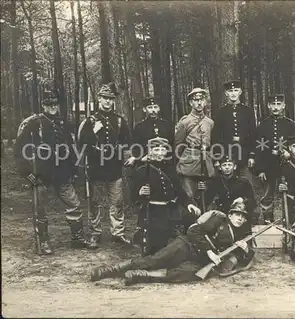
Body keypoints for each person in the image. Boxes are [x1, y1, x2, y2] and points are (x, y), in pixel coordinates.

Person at [89, 200, 255, 286]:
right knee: (154, 260)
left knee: (187, 274)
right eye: (237, 214)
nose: (240, 218)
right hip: (186, 246)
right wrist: (210, 252)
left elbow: (243, 259)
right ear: (230, 214)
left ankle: (140, 276)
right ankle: (108, 271)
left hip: (199, 261)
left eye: (243, 216)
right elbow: (193, 231)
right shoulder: (218, 219)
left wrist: (247, 250)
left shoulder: (241, 234)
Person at [15, 90, 90, 254]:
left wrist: (74, 169)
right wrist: (27, 172)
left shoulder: (62, 123)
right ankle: (43, 242)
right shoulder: (34, 123)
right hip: (41, 174)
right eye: (49, 104)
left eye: (55, 104)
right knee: (40, 209)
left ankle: (77, 239)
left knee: (74, 205)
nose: (53, 107)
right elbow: (19, 149)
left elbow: (70, 148)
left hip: (62, 173)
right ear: (43, 105)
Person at [77, 83, 132, 248]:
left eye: (110, 99)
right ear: (99, 99)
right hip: (96, 169)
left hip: (114, 168)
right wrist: (93, 131)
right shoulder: (90, 120)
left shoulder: (120, 121)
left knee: (117, 202)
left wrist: (125, 157)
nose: (107, 102)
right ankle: (95, 233)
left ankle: (118, 233)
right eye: (105, 98)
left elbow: (127, 142)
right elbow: (81, 143)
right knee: (95, 202)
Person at [131, 137, 201, 255]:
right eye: (156, 150)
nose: (160, 153)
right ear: (150, 151)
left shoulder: (169, 169)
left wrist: (189, 204)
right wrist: (140, 193)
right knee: (154, 244)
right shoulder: (142, 170)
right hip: (152, 211)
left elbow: (179, 190)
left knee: (187, 222)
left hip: (169, 209)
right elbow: (133, 196)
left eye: (163, 150)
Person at [253, 94, 295, 222]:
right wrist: (260, 169)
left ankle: (289, 220)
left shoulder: (291, 125)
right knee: (267, 196)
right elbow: (259, 148)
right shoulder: (263, 125)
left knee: (289, 194)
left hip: (286, 166)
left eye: (278, 104)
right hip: (268, 167)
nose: (275, 107)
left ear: (283, 106)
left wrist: (290, 155)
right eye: (273, 104)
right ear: (269, 106)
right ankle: (269, 222)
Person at [211, 80, 257, 186]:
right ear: (226, 93)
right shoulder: (220, 112)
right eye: (230, 91)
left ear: (240, 92)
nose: (233, 93)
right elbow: (216, 136)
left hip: (244, 155)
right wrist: (217, 158)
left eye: (236, 90)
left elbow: (253, 135)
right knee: (229, 187)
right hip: (227, 156)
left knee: (247, 185)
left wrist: (252, 156)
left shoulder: (248, 111)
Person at [174, 88, 215, 205]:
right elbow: (178, 145)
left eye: (201, 99)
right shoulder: (185, 122)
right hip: (189, 161)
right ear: (191, 103)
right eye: (195, 100)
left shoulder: (210, 122)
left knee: (205, 194)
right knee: (189, 194)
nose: (199, 103)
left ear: (205, 102)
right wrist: (181, 161)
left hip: (205, 160)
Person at [200, 154, 257, 225]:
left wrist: (243, 199)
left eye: (229, 165)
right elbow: (206, 200)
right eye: (224, 165)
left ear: (235, 167)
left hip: (238, 214)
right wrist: (202, 190)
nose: (227, 167)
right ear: (220, 168)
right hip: (222, 213)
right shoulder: (216, 182)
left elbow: (253, 202)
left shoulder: (243, 182)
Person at [125, 96, 174, 167]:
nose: (153, 110)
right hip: (147, 164)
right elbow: (136, 147)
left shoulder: (167, 125)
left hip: (166, 162)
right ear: (144, 109)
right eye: (150, 107)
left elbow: (172, 143)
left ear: (159, 108)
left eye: (155, 107)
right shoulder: (139, 127)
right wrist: (140, 158)